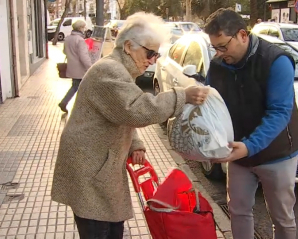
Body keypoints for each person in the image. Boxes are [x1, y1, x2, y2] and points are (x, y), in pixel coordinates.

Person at [51, 12, 209, 239]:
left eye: (156, 54)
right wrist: (182, 96)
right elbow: (136, 109)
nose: (153, 60)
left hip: (99, 162)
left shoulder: (118, 68)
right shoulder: (109, 70)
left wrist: (135, 144)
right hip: (91, 166)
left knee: (111, 225)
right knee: (99, 227)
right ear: (128, 46)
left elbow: (119, 112)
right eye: (150, 53)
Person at [204, 8, 298, 239]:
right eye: (214, 47)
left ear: (242, 35)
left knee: (282, 217)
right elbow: (211, 107)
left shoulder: (276, 61)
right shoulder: (218, 65)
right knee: (238, 211)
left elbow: (280, 112)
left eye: (223, 46)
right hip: (238, 153)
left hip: (277, 153)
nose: (219, 53)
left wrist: (249, 146)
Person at [58, 19, 92, 113]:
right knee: (79, 87)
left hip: (72, 67)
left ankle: (68, 104)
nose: (84, 29)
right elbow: (83, 57)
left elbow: (64, 51)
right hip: (81, 69)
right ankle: (66, 103)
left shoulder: (68, 38)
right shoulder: (80, 40)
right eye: (84, 27)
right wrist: (91, 67)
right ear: (80, 28)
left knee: (76, 86)